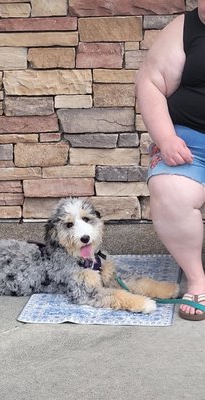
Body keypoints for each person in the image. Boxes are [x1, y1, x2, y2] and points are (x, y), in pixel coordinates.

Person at [136, 1, 205, 320]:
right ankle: (197, 278)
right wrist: (166, 138)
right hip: (190, 142)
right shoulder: (185, 28)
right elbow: (151, 82)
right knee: (170, 193)